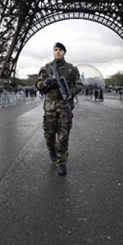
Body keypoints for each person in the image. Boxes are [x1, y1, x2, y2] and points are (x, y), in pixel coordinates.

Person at [35, 42, 82, 176]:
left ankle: (61, 162)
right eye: (55, 50)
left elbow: (79, 86)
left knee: (63, 136)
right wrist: (47, 83)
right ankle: (51, 151)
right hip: (50, 108)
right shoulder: (46, 68)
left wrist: (68, 91)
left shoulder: (71, 69)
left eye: (60, 50)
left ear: (64, 52)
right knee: (49, 135)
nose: (58, 52)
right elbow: (38, 84)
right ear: (53, 52)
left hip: (65, 108)